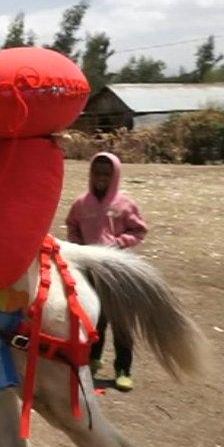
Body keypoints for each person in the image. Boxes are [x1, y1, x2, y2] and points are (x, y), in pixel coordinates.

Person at [65, 152, 147, 392]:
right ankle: (93, 360)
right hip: (92, 268)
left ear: (115, 175)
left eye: (107, 174)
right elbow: (72, 224)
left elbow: (139, 230)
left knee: (121, 322)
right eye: (97, 173)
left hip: (118, 269)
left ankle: (123, 369)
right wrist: (79, 247)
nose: (101, 178)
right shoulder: (82, 204)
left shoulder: (124, 203)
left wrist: (119, 242)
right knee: (95, 317)